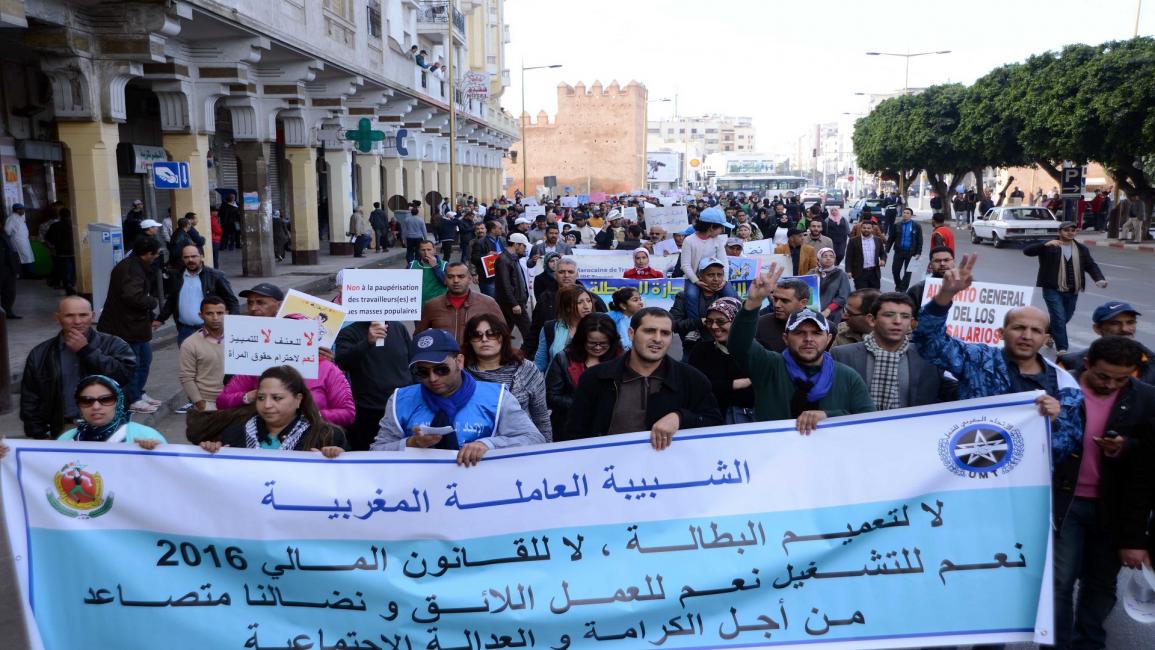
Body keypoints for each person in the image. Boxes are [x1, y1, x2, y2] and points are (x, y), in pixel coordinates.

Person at [913, 253, 1083, 465]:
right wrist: (945, 295)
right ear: (1001, 333)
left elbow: (1067, 447)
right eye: (1019, 328)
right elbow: (928, 342)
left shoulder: (1063, 384)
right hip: (969, 470)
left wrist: (1056, 421)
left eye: (1035, 331)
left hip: (1025, 482)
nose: (1026, 336)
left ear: (1046, 339)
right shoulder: (978, 360)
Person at [1053, 336, 1155, 649]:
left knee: (1101, 582)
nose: (1111, 385)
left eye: (1121, 379)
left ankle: (1089, 641)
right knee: (1061, 580)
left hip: (1113, 508)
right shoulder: (1057, 388)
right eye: (1103, 376)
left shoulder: (1146, 399)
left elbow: (1146, 471)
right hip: (1064, 504)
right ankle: (1056, 642)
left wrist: (1127, 448)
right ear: (1087, 364)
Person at [728, 264, 874, 433]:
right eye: (799, 333)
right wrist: (753, 303)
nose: (809, 339)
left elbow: (868, 420)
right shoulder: (769, 367)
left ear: (828, 339)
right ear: (786, 338)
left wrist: (828, 416)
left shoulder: (848, 377)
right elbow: (739, 345)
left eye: (817, 333)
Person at [370, 328, 545, 464]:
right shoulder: (400, 400)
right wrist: (411, 444)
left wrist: (488, 445)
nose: (433, 378)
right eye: (422, 372)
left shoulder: (497, 398)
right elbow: (376, 451)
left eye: (441, 369)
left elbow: (534, 439)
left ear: (459, 362)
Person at [563, 308, 721, 447]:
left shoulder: (692, 379)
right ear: (631, 333)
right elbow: (575, 433)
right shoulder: (595, 378)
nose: (657, 339)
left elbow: (713, 423)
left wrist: (680, 417)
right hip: (608, 473)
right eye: (649, 331)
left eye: (665, 333)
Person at [20, 297, 136, 439]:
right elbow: (31, 396)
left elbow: (123, 376)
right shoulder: (41, 353)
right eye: (69, 315)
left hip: (109, 427)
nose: (77, 321)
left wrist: (86, 351)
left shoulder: (114, 344)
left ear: (92, 316)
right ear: (57, 318)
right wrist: (37, 432)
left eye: (83, 315)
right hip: (64, 428)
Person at [216, 317, 356, 428]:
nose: (289, 341)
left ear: (309, 339)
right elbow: (221, 402)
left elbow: (348, 414)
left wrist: (309, 414)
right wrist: (248, 397)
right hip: (258, 438)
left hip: (312, 441)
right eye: (284, 334)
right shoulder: (257, 364)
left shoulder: (327, 369)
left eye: (296, 336)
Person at [831, 292, 957, 409]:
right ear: (872, 320)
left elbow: (954, 393)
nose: (897, 321)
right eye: (889, 315)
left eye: (905, 316)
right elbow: (833, 402)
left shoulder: (927, 358)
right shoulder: (842, 356)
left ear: (911, 322)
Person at [201, 366, 347, 457]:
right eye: (261, 397)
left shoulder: (327, 436)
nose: (267, 405)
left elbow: (346, 482)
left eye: (277, 398)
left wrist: (339, 459)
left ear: (298, 399)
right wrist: (212, 453)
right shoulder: (235, 434)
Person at [462, 314, 552, 440]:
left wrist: (545, 451)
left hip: (519, 447)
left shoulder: (526, 370)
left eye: (492, 334)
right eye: (477, 335)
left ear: (503, 337)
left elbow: (541, 417)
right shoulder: (461, 374)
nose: (484, 339)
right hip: (472, 449)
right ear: (469, 341)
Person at [97, 237, 161, 413]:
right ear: (148, 254)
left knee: (145, 359)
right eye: (155, 254)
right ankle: (133, 398)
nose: (156, 257)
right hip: (126, 326)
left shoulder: (134, 265)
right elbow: (132, 296)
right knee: (134, 362)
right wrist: (152, 302)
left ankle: (138, 392)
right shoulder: (131, 269)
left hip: (135, 325)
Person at [1023, 222, 1107, 354]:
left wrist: (1099, 279)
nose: (1070, 232)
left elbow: (1090, 265)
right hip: (1052, 288)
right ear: (1059, 232)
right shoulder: (1050, 246)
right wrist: (1044, 244)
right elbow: (1027, 251)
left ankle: (1047, 332)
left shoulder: (1081, 249)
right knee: (1059, 317)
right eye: (1066, 230)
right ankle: (1062, 348)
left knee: (1064, 317)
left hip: (1072, 289)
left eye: (1073, 230)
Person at [333, 317, 412, 451]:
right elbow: (342, 361)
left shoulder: (399, 328)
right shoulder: (349, 333)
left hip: (401, 409)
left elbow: (411, 362)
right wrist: (367, 342)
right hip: (367, 412)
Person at [546, 313, 623, 435]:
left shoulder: (622, 360)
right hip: (571, 428)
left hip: (611, 429)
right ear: (581, 340)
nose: (598, 348)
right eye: (592, 343)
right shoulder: (564, 359)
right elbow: (551, 397)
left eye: (603, 343)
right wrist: (584, 404)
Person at [688, 297, 756, 424]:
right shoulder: (700, 351)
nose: (713, 326)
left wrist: (722, 386)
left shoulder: (758, 351)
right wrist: (736, 384)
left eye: (721, 321)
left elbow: (765, 386)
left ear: (737, 321)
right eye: (709, 321)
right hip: (715, 424)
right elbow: (697, 389)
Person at [155, 244, 240, 346]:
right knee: (188, 361)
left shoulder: (215, 276)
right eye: (186, 257)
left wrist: (233, 325)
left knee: (210, 361)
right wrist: (160, 319)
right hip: (185, 331)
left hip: (209, 330)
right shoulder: (177, 276)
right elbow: (172, 300)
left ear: (201, 256)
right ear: (182, 258)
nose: (190, 260)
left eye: (194, 256)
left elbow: (232, 301)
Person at [1059, 301, 1155, 384]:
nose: (1125, 329)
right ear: (1097, 329)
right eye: (1115, 323)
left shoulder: (1151, 363)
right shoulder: (1070, 363)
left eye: (1130, 322)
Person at [56, 376, 165, 448]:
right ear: (78, 405)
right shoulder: (66, 440)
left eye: (106, 399)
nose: (96, 406)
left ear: (118, 402)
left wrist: (155, 453)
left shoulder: (145, 436)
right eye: (86, 401)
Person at [416, 262, 504, 344]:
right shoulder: (432, 306)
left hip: (476, 359)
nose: (456, 280)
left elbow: (503, 334)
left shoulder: (488, 303)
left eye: (461, 276)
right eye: (450, 277)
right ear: (445, 280)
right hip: (444, 359)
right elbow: (419, 338)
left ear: (469, 279)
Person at [670, 257, 737, 356]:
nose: (716, 279)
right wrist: (699, 322)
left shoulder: (729, 296)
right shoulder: (684, 297)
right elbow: (673, 324)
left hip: (726, 352)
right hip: (693, 352)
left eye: (719, 275)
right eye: (710, 275)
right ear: (700, 276)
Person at [679, 207, 731, 326]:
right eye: (720, 227)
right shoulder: (689, 240)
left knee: (731, 295)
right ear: (711, 227)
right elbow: (685, 265)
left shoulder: (717, 240)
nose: (722, 230)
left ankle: (731, 323)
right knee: (691, 296)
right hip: (694, 278)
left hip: (716, 277)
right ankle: (696, 326)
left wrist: (725, 280)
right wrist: (696, 281)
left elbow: (724, 262)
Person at [534, 285, 596, 372]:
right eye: (580, 302)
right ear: (567, 308)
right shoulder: (550, 328)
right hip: (556, 382)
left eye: (589, 301)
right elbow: (540, 364)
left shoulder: (598, 326)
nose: (587, 306)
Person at [754, 277, 811, 353]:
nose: (777, 305)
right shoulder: (760, 324)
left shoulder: (822, 326)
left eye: (785, 301)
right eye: (775, 299)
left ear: (803, 303)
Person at [495, 232, 532, 343]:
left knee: (505, 331)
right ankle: (529, 355)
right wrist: (514, 303)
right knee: (528, 331)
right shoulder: (504, 259)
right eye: (523, 246)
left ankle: (502, 352)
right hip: (514, 303)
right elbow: (504, 284)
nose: (525, 249)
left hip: (514, 302)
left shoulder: (512, 258)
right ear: (516, 245)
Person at [886, 207, 923, 292]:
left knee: (908, 272)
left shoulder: (916, 226)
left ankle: (903, 289)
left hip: (911, 252)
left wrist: (918, 252)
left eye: (907, 213)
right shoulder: (897, 225)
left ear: (911, 215)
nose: (905, 214)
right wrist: (886, 250)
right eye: (904, 212)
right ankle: (898, 284)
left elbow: (920, 240)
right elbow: (891, 238)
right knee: (895, 270)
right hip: (899, 251)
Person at [812, 247, 850, 328]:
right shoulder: (812, 273)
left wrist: (828, 310)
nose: (828, 258)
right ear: (819, 258)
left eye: (831, 256)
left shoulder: (841, 274)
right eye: (825, 256)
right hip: (813, 312)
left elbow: (843, 297)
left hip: (833, 314)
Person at [44, 207, 77, 296]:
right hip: (74, 252)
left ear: (60, 215)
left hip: (60, 253)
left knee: (63, 270)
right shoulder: (74, 225)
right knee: (74, 270)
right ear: (70, 215)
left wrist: (52, 247)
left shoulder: (55, 225)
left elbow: (47, 239)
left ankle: (66, 286)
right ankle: (72, 285)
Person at [409, 239, 448, 305]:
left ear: (434, 250)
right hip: (417, 305)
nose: (426, 253)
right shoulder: (412, 265)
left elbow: (446, 283)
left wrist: (435, 266)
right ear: (419, 251)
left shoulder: (444, 264)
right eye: (423, 250)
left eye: (429, 250)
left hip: (438, 305)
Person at [5, 203, 34, 276]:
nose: (24, 211)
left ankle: (27, 273)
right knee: (23, 257)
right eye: (22, 209)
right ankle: (25, 274)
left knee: (27, 256)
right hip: (18, 241)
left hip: (24, 240)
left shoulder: (20, 217)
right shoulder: (11, 218)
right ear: (18, 210)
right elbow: (7, 230)